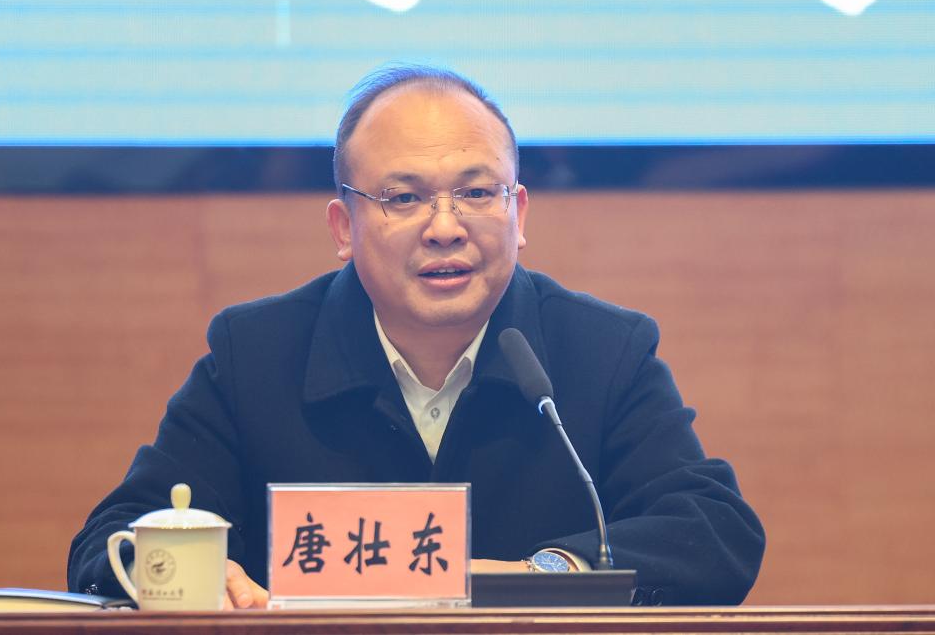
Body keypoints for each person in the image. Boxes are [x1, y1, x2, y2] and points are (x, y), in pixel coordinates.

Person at [68, 64, 764, 607]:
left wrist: (549, 573)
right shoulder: (256, 356)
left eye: (477, 192)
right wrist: (189, 573)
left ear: (518, 213)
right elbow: (109, 542)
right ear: (344, 227)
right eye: (403, 198)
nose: (445, 227)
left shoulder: (603, 351)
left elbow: (714, 530)